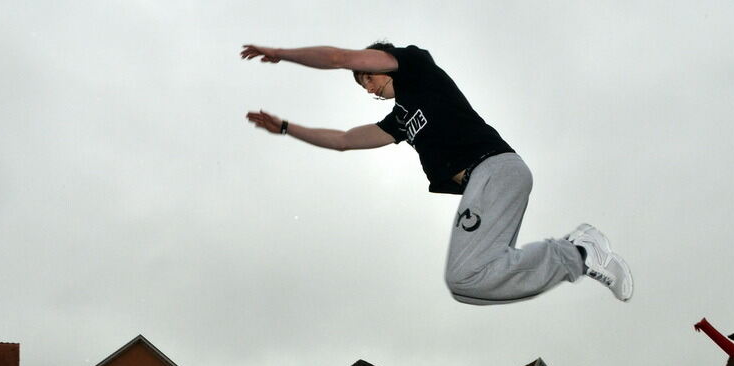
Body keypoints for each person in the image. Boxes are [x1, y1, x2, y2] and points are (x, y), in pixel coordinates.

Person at [241, 42, 633, 304]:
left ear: (379, 61)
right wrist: (288, 128)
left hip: (493, 168)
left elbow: (339, 58)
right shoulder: (400, 118)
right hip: (488, 182)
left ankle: (580, 253)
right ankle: (578, 252)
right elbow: (344, 139)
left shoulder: (414, 66)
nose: (368, 88)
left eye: (368, 78)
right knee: (466, 285)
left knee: (464, 276)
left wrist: (281, 53)